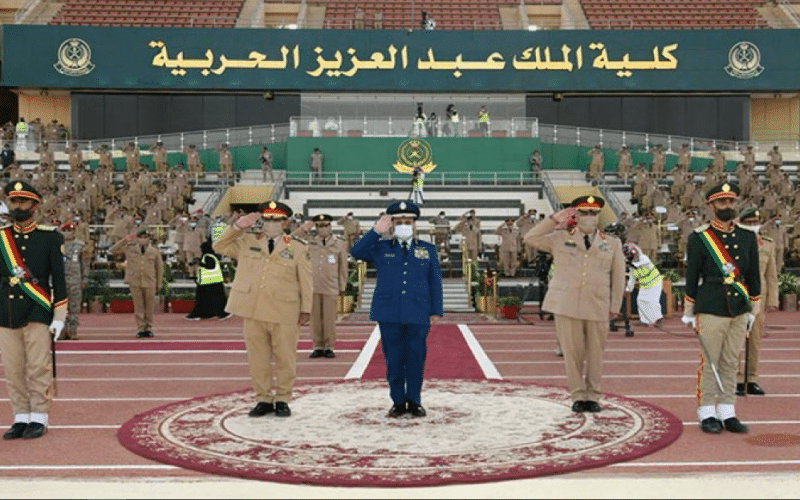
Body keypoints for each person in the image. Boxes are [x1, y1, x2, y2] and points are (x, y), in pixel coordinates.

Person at [524, 195, 625, 413]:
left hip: (598, 304)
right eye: (584, 212)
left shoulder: (613, 243)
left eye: (593, 212)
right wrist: (554, 219)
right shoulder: (559, 238)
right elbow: (530, 237)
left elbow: (618, 277)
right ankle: (578, 395)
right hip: (566, 303)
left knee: (596, 353)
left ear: (598, 215)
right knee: (572, 352)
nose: (589, 216)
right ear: (576, 214)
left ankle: (593, 395)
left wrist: (615, 305)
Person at [213, 201, 312, 418]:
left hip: (284, 310)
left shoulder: (297, 246)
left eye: (276, 219)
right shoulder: (248, 241)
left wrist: (306, 308)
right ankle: (263, 398)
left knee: (286, 357)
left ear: (285, 222)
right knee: (258, 358)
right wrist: (238, 226)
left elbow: (306, 280)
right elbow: (218, 246)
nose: (271, 223)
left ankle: (283, 398)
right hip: (254, 309)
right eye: (267, 219)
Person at [350, 200, 443, 418]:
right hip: (389, 311)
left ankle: (414, 400)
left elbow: (434, 281)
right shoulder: (380, 248)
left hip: (418, 311)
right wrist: (376, 231)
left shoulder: (427, 249)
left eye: (408, 221)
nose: (404, 224)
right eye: (399, 221)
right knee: (393, 358)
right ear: (391, 225)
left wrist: (436, 310)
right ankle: (398, 402)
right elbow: (357, 251)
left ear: (415, 224)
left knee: (415, 357)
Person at [682, 182, 760, 434]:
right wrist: (689, 310)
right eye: (721, 202)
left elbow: (753, 275)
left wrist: (753, 308)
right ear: (711, 205)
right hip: (711, 305)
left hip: (739, 307)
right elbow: (692, 276)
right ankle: (707, 412)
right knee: (710, 363)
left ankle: (727, 411)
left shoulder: (748, 237)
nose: (727, 206)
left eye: (731, 201)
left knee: (730, 362)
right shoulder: (699, 237)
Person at [0, 180, 67, 440]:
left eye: (23, 201)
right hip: (6, 310)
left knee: (37, 367)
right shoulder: (2, 237)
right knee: (13, 368)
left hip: (37, 309)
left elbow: (59, 281)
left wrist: (59, 316)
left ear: (35, 206)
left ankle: (39, 416)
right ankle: (20, 416)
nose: (18, 206)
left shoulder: (49, 237)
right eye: (14, 201)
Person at [735, 208, 778, 396]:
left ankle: (751, 379)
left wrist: (773, 299)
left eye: (755, 223)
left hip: (758, 298)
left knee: (754, 341)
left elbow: (771, 275)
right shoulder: (735, 242)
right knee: (736, 339)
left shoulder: (768, 244)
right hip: (738, 295)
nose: (753, 226)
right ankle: (736, 379)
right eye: (749, 223)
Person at [294, 214, 348, 358]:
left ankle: (329, 346)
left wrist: (342, 287)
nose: (322, 229)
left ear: (330, 226)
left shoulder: (339, 243)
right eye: (319, 226)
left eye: (325, 225)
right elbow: (288, 241)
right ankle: (317, 345)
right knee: (315, 319)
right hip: (313, 286)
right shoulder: (309, 242)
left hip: (331, 286)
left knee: (329, 319)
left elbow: (343, 267)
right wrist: (303, 229)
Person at [109, 227, 164, 338]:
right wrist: (125, 240)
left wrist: (159, 283)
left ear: (149, 239)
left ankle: (148, 328)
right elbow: (113, 250)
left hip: (149, 281)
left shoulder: (154, 251)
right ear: (137, 239)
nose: (143, 239)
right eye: (141, 237)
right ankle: (140, 328)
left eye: (145, 237)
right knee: (138, 307)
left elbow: (159, 268)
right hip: (135, 281)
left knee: (149, 307)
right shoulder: (130, 249)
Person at [185, 239, 230, 321]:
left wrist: (199, 263)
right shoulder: (212, 256)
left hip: (209, 283)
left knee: (203, 300)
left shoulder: (208, 256)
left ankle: (199, 314)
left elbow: (210, 266)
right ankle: (214, 313)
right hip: (212, 282)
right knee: (215, 300)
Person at [622, 242, 663, 327]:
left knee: (653, 301)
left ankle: (658, 319)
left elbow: (639, 265)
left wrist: (629, 263)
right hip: (644, 285)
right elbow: (632, 278)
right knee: (640, 300)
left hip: (655, 282)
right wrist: (628, 289)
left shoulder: (644, 258)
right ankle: (644, 320)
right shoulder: (632, 265)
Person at [60, 222, 86, 340]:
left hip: (75, 280)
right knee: (60, 307)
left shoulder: (80, 245)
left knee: (74, 306)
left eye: (70, 231)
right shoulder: (56, 245)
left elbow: (84, 264)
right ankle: (62, 330)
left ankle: (73, 330)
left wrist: (84, 278)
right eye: (65, 231)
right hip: (60, 279)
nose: (68, 233)